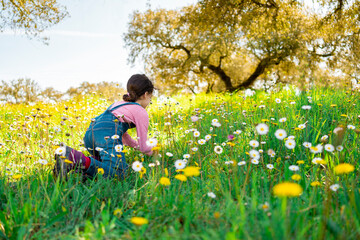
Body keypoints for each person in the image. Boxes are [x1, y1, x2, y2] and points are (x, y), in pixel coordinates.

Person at [53, 74, 155, 180]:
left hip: (90, 134)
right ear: (146, 94)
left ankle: (82, 170)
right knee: (119, 173)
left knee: (107, 165)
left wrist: (136, 146)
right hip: (106, 135)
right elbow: (144, 147)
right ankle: (75, 157)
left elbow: (126, 139)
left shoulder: (121, 104)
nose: (149, 102)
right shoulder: (141, 111)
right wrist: (154, 152)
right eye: (150, 98)